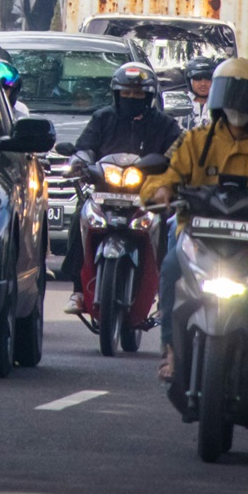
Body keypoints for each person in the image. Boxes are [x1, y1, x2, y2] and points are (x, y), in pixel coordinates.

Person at [140, 58, 248, 383]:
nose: (235, 103)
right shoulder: (195, 139)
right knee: (169, 269)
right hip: (199, 232)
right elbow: (168, 170)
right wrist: (162, 189)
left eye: (243, 95)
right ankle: (171, 350)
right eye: (230, 93)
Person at [62, 62, 182, 316]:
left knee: (169, 226)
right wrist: (78, 164)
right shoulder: (102, 117)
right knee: (79, 216)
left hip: (148, 196)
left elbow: (178, 153)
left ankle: (164, 293)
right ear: (116, 94)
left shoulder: (165, 124)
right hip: (104, 189)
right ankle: (78, 290)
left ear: (149, 96)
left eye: (137, 94)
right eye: (126, 94)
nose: (131, 98)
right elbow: (86, 147)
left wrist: (167, 170)